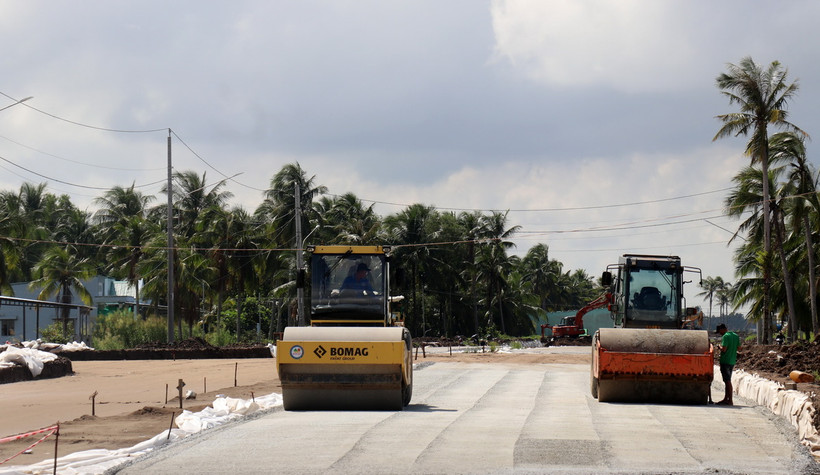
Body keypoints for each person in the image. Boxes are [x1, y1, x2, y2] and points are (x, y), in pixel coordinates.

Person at [715, 323, 740, 405]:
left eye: (719, 332)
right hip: (732, 360)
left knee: (727, 381)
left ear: (722, 329)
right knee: (727, 380)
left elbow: (724, 349)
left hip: (725, 361)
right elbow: (739, 348)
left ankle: (730, 400)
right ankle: (726, 398)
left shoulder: (725, 336)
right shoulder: (735, 336)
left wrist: (719, 347)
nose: (720, 334)